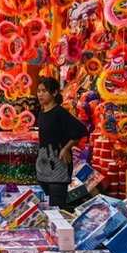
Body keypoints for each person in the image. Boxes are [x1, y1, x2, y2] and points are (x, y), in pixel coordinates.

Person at [35, 76, 87, 209]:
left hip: (59, 164)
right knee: (47, 204)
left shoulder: (59, 112)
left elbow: (81, 130)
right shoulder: (41, 113)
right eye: (39, 91)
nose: (40, 94)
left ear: (54, 93)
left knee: (57, 206)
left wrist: (66, 148)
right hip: (43, 165)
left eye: (44, 91)